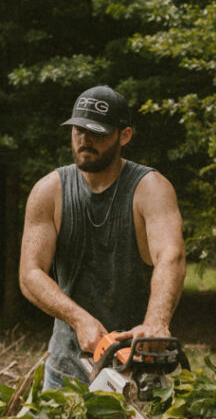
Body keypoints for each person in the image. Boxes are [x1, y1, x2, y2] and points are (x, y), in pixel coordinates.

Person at [19, 85, 186, 389]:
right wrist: (79, 319)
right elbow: (30, 273)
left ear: (124, 135)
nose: (85, 139)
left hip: (138, 367)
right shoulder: (49, 191)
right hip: (66, 368)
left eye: (97, 132)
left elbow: (170, 256)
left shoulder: (151, 188)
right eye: (78, 130)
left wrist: (156, 322)